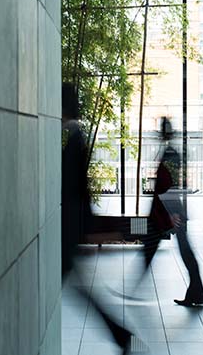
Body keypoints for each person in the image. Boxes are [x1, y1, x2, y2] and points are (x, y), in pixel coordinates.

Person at [61, 83, 133, 354]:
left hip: (68, 227)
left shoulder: (76, 138)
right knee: (82, 291)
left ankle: (123, 336)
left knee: (81, 291)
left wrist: (83, 229)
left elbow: (76, 188)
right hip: (71, 226)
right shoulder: (76, 136)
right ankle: (122, 336)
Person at [147, 117, 203, 307]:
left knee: (185, 250)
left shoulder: (170, 153)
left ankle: (197, 292)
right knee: (181, 249)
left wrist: (172, 213)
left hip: (171, 211)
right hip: (167, 209)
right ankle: (196, 293)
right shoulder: (170, 151)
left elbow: (171, 184)